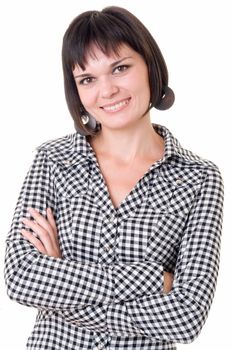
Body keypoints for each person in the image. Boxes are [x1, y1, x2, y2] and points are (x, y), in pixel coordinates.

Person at [4, 6, 224, 350]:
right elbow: (22, 279)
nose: (106, 91)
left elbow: (187, 317)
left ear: (150, 67)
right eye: (87, 79)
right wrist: (152, 279)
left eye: (120, 68)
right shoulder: (53, 161)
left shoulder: (199, 179)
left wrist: (62, 277)